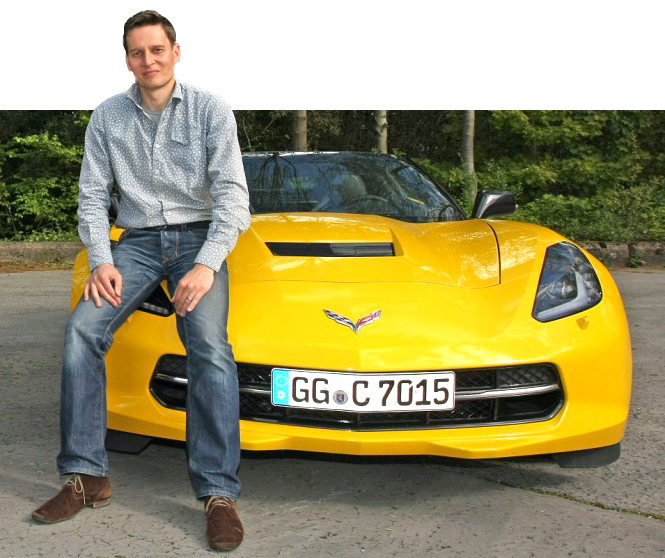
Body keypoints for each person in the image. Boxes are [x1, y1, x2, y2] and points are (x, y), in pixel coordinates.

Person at [31, 10, 250, 552]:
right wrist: (102, 259)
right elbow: (91, 196)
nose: (147, 61)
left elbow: (232, 198)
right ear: (126, 58)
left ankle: (218, 494)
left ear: (176, 52)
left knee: (209, 346)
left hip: (199, 239)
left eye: (157, 50)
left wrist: (207, 264)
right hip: (137, 243)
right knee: (82, 329)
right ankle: (86, 476)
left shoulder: (210, 110)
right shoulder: (107, 117)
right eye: (137, 52)